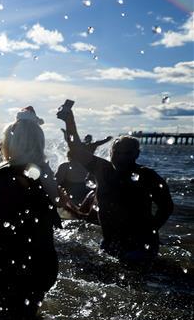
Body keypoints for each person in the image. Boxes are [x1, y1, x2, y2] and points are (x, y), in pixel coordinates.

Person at [0, 111, 61, 312]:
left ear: (9, 144)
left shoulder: (6, 178)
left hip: (4, 269)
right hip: (41, 268)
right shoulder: (43, 175)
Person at [59, 105, 173, 265]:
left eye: (127, 154)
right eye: (117, 153)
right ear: (111, 154)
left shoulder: (147, 176)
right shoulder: (103, 170)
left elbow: (167, 207)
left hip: (140, 246)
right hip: (110, 243)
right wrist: (69, 120)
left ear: (137, 154)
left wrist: (150, 230)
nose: (121, 158)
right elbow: (77, 150)